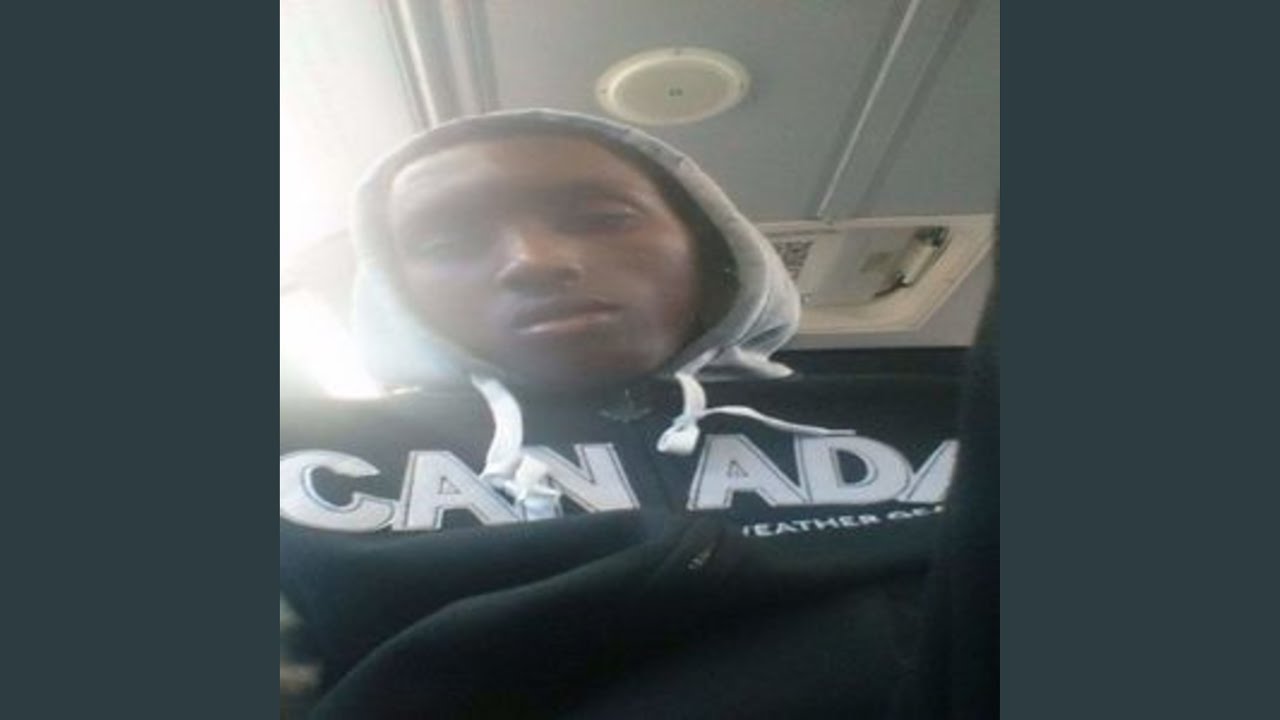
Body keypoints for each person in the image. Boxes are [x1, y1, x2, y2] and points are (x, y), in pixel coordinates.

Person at [280, 109, 966, 718]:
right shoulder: (304, 459)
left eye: (603, 218)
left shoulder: (951, 417)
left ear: (709, 248)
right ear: (397, 291)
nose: (533, 261)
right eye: (445, 243)